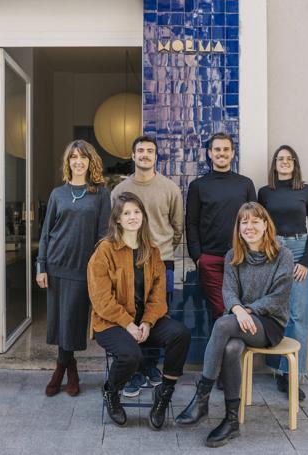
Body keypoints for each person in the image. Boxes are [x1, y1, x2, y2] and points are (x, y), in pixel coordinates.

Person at [176, 202, 293, 448]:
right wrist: (239, 310)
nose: (249, 226)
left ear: (265, 224)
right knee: (230, 349)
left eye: (254, 221)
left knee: (221, 325)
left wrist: (247, 310)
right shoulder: (233, 255)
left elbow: (279, 296)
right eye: (244, 222)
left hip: (269, 323)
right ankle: (231, 422)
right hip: (239, 319)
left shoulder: (283, 254)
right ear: (238, 227)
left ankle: (202, 399)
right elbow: (228, 291)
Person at [87, 192, 191, 429]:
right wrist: (128, 324)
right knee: (132, 355)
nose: (133, 217)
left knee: (181, 334)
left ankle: (163, 395)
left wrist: (147, 322)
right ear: (117, 220)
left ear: (143, 216)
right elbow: (100, 298)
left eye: (137, 212)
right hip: (111, 323)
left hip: (144, 321)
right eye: (127, 213)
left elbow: (158, 295)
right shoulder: (104, 251)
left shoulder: (151, 251)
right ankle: (111, 392)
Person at [36, 140, 110, 397]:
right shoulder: (58, 194)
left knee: (72, 320)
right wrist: (40, 266)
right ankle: (68, 370)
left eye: (83, 157)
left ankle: (62, 368)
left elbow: (104, 235)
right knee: (59, 321)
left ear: (91, 162)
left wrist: (99, 270)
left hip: (82, 268)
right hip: (56, 265)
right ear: (68, 162)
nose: (78, 161)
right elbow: (46, 233)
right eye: (73, 157)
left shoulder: (101, 193)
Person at [111, 135, 183, 397]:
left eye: (149, 151)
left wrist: (161, 248)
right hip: (128, 260)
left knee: (157, 316)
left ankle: (151, 366)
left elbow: (177, 228)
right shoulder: (119, 191)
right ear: (133, 156)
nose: (144, 155)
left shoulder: (170, 188)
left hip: (162, 259)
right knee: (131, 313)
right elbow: (113, 225)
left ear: (156, 156)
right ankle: (136, 370)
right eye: (140, 151)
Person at [258, 145, 308, 401]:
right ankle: (276, 367)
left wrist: (305, 261)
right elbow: (259, 224)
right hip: (273, 251)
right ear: (274, 164)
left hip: (298, 250)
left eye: (289, 159)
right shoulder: (265, 192)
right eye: (280, 159)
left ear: (295, 163)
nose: (284, 162)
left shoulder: (306, 190)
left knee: (298, 314)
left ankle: (292, 375)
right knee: (274, 311)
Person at [186, 133, 256, 321]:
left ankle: (237, 351)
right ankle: (223, 351)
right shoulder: (198, 186)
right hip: (211, 260)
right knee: (222, 311)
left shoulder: (245, 184)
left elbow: (254, 220)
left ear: (232, 153)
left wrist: (253, 253)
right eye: (217, 149)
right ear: (209, 153)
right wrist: (198, 257)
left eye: (226, 149)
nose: (221, 153)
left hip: (242, 258)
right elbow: (191, 222)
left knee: (243, 309)